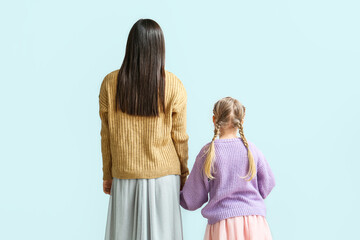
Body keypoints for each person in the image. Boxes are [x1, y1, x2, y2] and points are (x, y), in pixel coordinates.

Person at [99, 19, 189, 240]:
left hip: (124, 174)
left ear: (131, 46)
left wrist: (108, 174)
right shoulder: (174, 84)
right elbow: (180, 137)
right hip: (165, 179)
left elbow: (106, 134)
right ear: (160, 48)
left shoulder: (110, 83)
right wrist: (184, 175)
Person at [180, 97, 275, 240]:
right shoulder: (252, 150)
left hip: (223, 226)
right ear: (242, 121)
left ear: (214, 119)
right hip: (256, 224)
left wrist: (173, 187)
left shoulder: (208, 153)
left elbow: (191, 200)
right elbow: (267, 185)